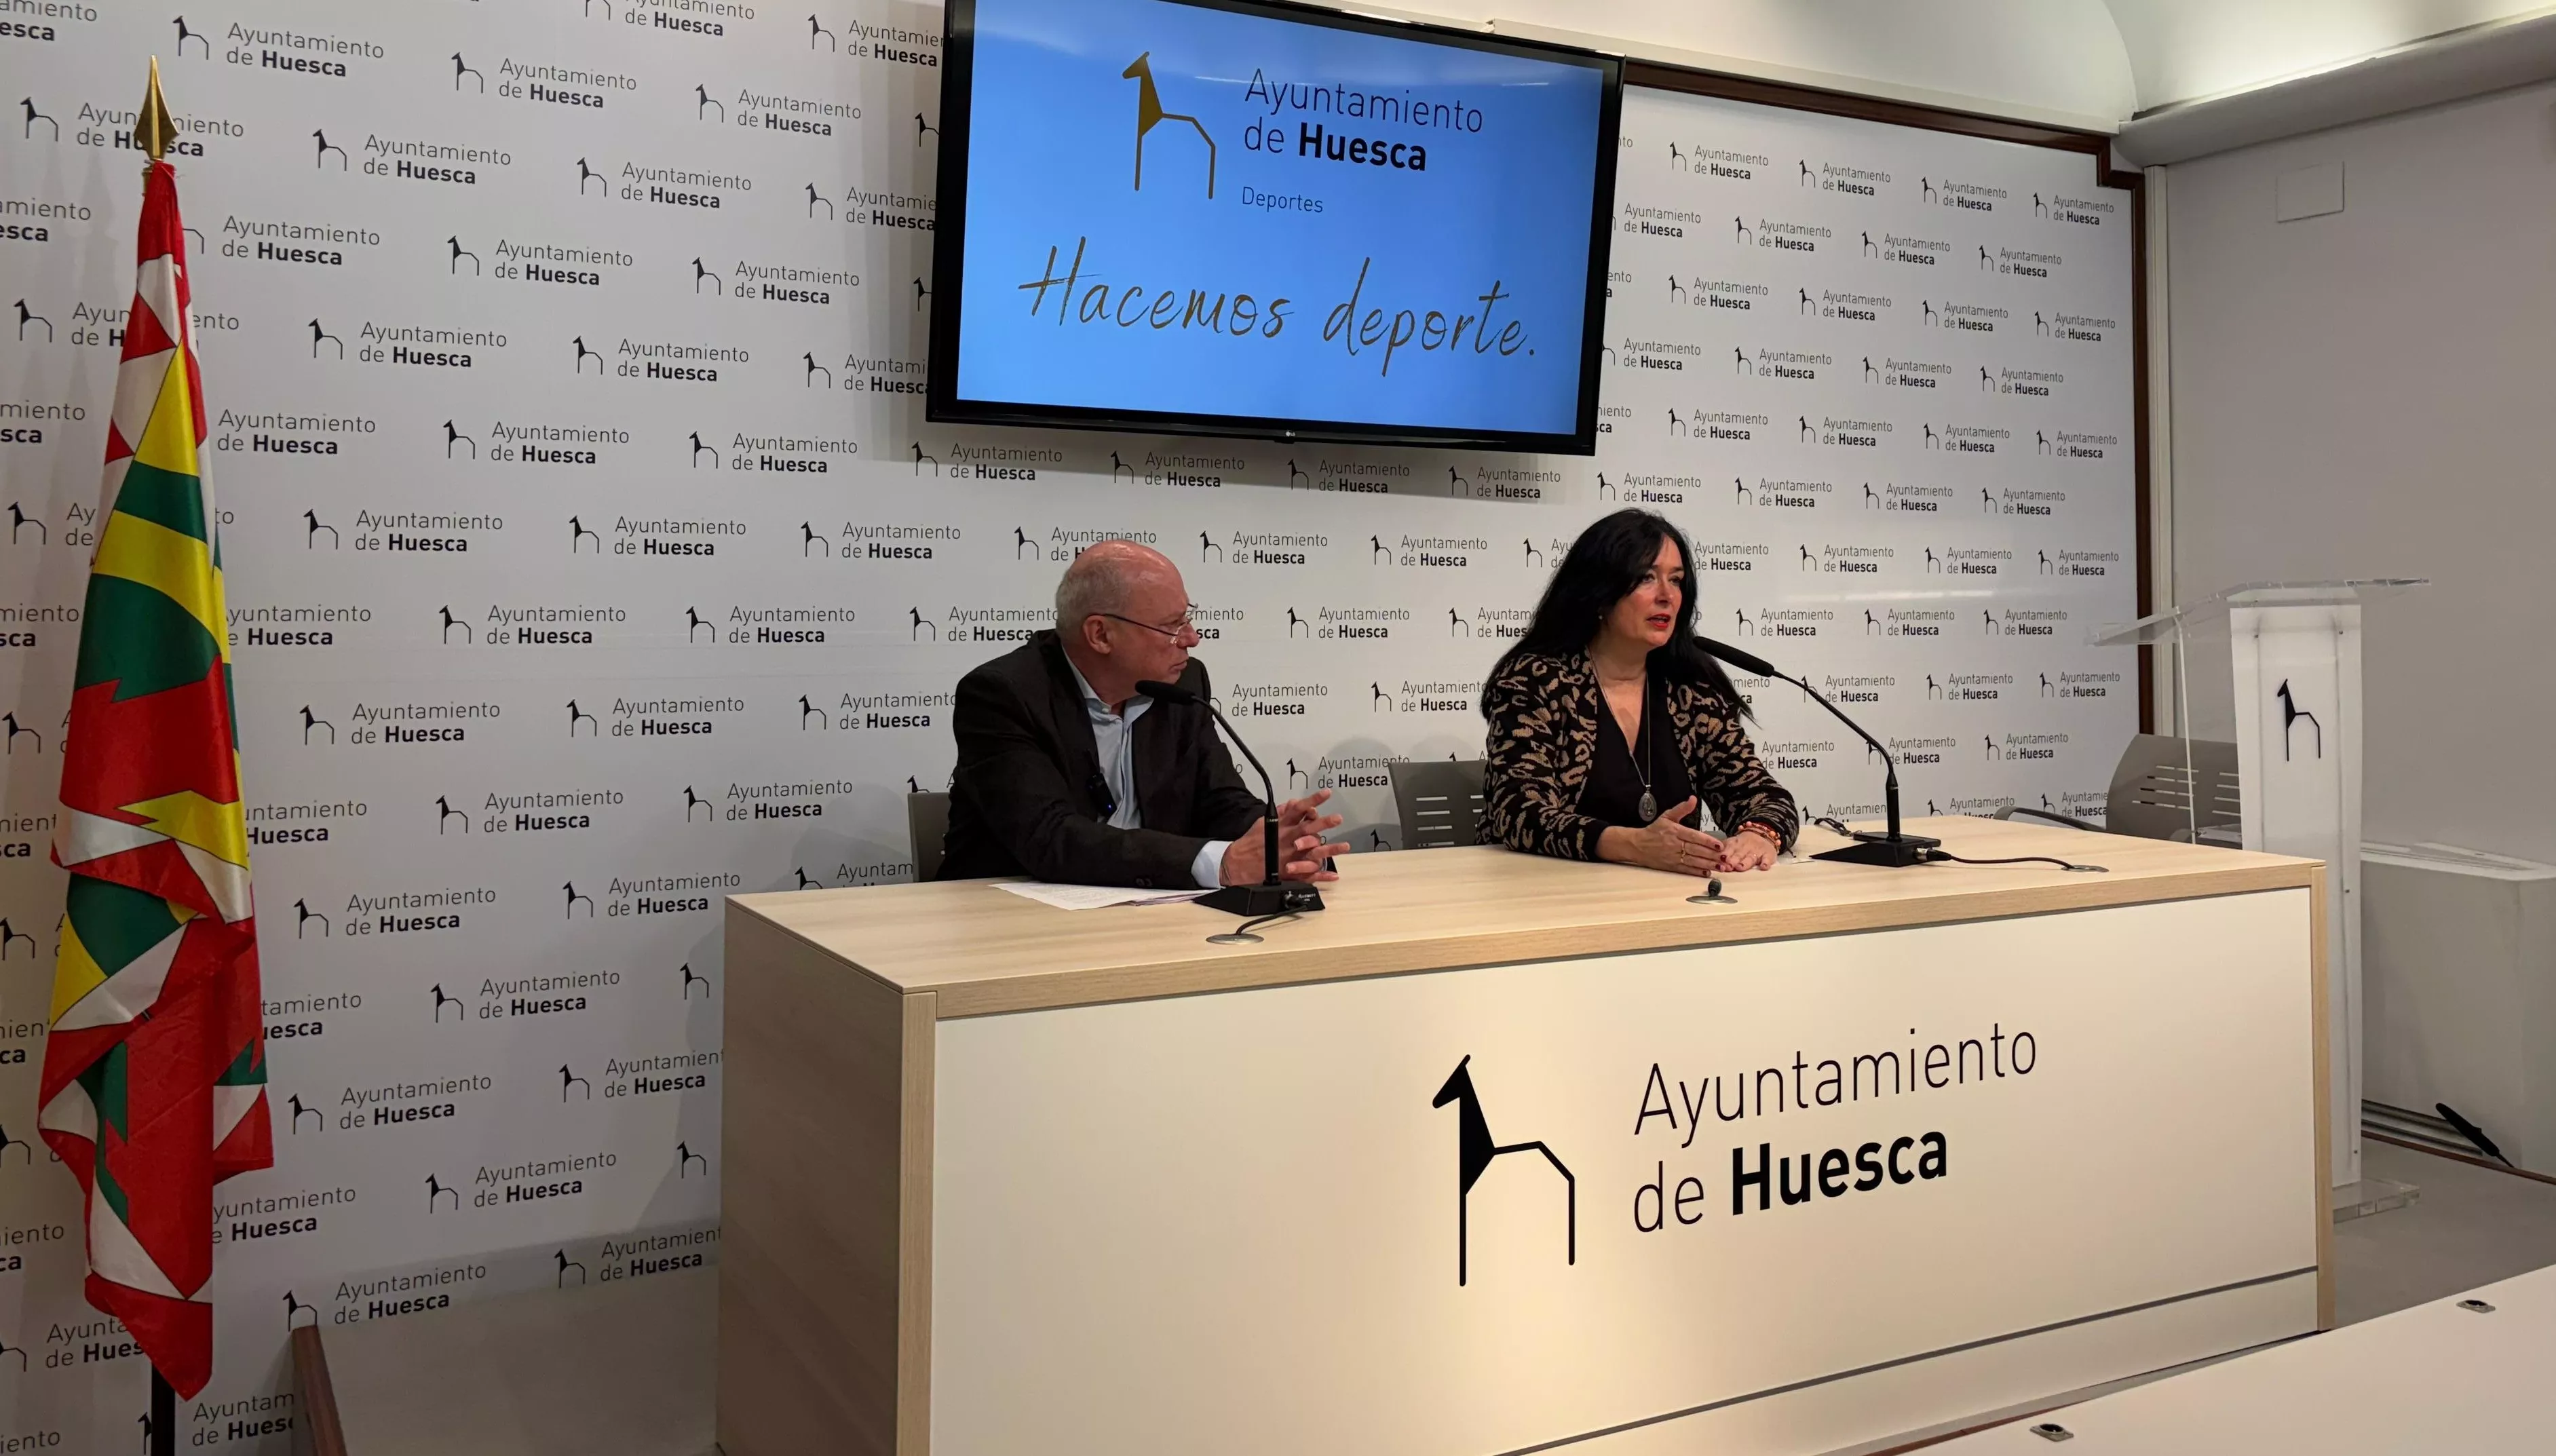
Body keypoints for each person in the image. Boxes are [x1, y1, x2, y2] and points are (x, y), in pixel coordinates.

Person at [937, 539, 1346, 889]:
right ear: (1101, 634)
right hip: (1013, 917)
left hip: (1153, 909)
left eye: (1188, 618)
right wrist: (1220, 864)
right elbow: (1049, 837)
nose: (1192, 638)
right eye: (1172, 626)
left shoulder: (1183, 683)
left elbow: (1220, 800)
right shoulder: (1004, 694)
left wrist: (1284, 844)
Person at [1479, 509, 1798, 877]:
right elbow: (1520, 814)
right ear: (1599, 592)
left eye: (1676, 580)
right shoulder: (1537, 681)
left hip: (1663, 894)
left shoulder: (1691, 688)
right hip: (1541, 888)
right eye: (1646, 577)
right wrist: (1634, 846)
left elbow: (1762, 795)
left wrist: (1759, 835)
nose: (1667, 596)